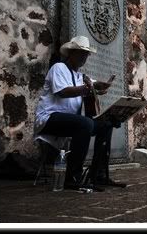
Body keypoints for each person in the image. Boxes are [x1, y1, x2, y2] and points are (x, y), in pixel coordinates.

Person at [33, 36, 124, 191]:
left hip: (70, 122)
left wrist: (99, 87)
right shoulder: (59, 68)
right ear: (71, 53)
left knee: (106, 124)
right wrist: (89, 88)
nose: (84, 57)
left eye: (86, 54)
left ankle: (99, 175)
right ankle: (73, 177)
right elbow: (62, 92)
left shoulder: (81, 77)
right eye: (81, 53)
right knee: (85, 123)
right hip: (49, 119)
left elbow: (94, 87)